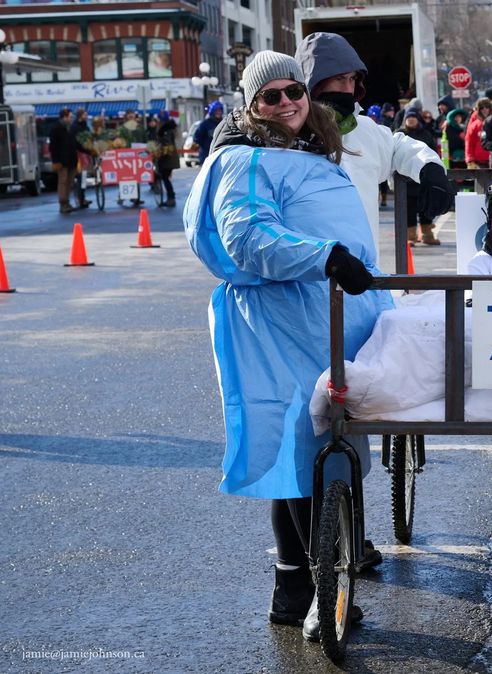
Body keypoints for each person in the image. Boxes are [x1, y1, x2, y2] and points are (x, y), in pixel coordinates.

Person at [181, 50, 392, 641]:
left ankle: (293, 587)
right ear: (250, 106)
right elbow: (248, 236)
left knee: (309, 455)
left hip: (324, 315)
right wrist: (325, 256)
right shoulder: (244, 158)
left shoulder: (307, 148)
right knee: (306, 452)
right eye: (269, 96)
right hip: (283, 321)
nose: (286, 103)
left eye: (293, 90)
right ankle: (319, 592)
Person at [295, 32, 451, 251]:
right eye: (340, 79)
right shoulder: (288, 135)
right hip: (307, 276)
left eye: (352, 79)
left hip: (364, 273)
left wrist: (429, 168)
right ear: (315, 81)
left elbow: (399, 147)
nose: (348, 88)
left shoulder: (363, 129)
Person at [399, 107, 442, 244]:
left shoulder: (426, 134)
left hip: (423, 178)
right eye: (408, 117)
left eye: (413, 117)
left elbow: (433, 153)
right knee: (409, 210)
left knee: (426, 208)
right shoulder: (399, 134)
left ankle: (427, 235)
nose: (411, 119)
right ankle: (410, 237)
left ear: (417, 118)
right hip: (405, 179)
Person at [49, 107, 80, 214]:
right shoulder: (56, 128)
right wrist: (55, 161)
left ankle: (67, 202)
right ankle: (63, 203)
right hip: (62, 161)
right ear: (64, 117)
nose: (71, 119)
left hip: (72, 160)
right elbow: (52, 147)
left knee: (69, 182)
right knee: (63, 182)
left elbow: (76, 144)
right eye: (70, 117)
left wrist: (89, 150)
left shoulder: (70, 128)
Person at [153, 110, 179, 208]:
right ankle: (170, 197)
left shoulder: (165, 129)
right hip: (170, 157)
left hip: (167, 157)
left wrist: (159, 148)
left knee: (165, 177)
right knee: (165, 177)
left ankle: (171, 198)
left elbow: (166, 143)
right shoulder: (170, 127)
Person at [465, 97, 492, 169]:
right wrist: (470, 160)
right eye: (482, 108)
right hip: (480, 162)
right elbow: (469, 143)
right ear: (479, 110)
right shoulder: (474, 125)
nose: (484, 109)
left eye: (487, 107)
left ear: (490, 108)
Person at [194, 101, 224, 165]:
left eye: (220, 110)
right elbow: (197, 137)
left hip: (220, 155)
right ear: (212, 111)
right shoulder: (205, 124)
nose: (218, 113)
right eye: (216, 111)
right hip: (206, 155)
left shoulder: (224, 123)